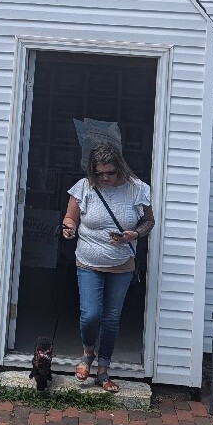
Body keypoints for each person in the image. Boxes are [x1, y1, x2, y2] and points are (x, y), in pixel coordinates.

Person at [60, 141, 155, 393]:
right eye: (99, 173)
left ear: (120, 167)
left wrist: (133, 234)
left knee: (111, 319)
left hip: (122, 263)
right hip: (88, 261)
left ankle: (103, 369)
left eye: (110, 173)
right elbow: (71, 217)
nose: (105, 177)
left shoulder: (137, 189)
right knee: (90, 314)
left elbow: (148, 221)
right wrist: (68, 227)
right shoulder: (84, 187)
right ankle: (87, 353)